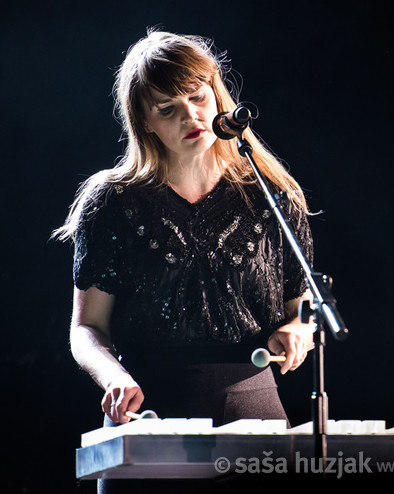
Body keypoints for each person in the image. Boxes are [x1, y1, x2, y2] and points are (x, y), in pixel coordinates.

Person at [54, 29, 316, 492]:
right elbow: (86, 328)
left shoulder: (272, 196)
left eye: (197, 97)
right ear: (145, 122)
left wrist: (298, 331)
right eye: (167, 109)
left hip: (255, 407)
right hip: (150, 407)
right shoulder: (112, 201)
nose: (191, 115)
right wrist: (113, 377)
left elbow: (302, 308)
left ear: (218, 96)